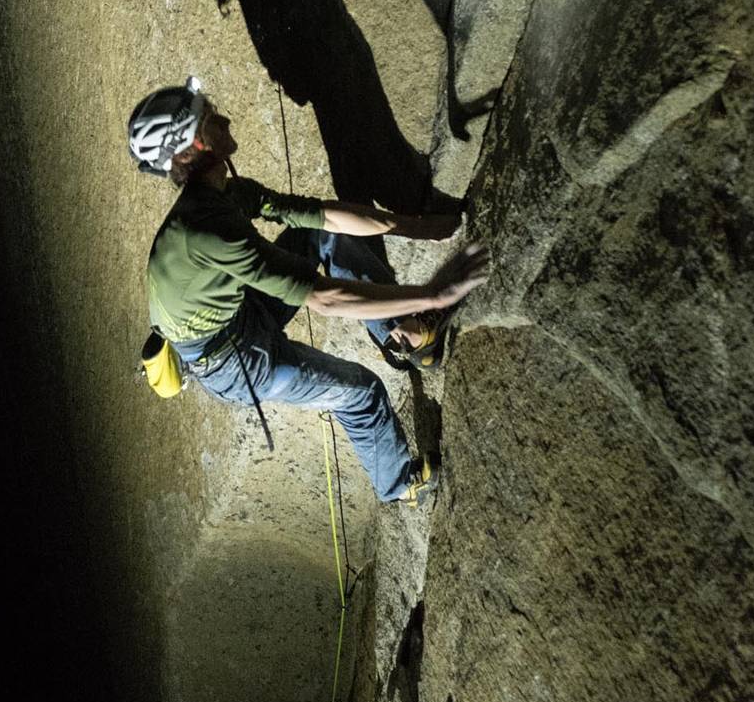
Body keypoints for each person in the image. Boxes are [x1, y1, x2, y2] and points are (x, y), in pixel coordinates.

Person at [129, 78, 489, 504]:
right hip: (235, 362)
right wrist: (432, 294)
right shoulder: (206, 230)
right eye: (208, 118)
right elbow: (325, 298)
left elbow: (321, 218)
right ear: (190, 150)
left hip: (236, 318)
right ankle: (400, 485)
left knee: (323, 238)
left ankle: (408, 335)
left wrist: (416, 227)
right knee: (361, 393)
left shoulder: (225, 194)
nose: (223, 117)